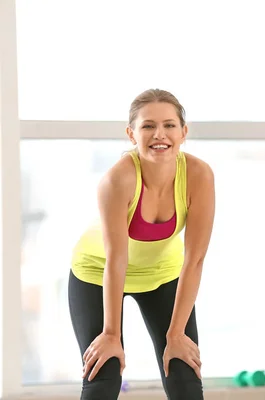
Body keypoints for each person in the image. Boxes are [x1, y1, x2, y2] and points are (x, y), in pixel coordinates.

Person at [68, 89, 215, 399]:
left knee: (184, 372)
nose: (159, 134)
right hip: (98, 271)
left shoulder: (198, 175)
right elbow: (116, 259)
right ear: (131, 134)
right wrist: (111, 335)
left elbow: (195, 260)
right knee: (103, 376)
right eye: (148, 126)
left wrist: (176, 334)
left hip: (162, 273)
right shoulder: (117, 180)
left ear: (183, 132)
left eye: (169, 125)